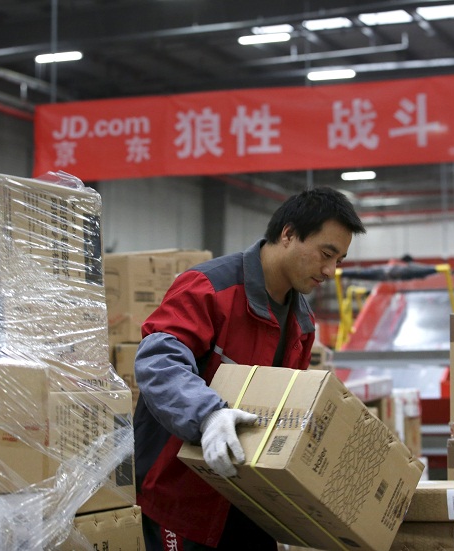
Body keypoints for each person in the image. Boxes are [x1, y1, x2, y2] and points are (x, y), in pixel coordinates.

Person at [133, 186, 366, 551]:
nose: (330, 271)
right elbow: (158, 360)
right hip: (181, 497)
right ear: (288, 234)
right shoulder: (211, 288)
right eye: (326, 254)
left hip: (248, 503)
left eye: (339, 260)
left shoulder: (302, 324)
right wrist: (207, 415)